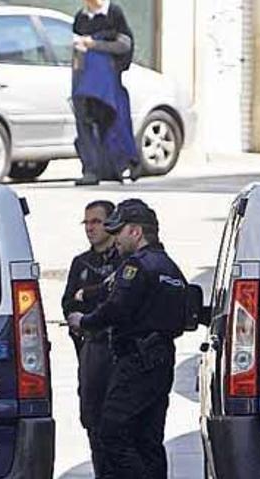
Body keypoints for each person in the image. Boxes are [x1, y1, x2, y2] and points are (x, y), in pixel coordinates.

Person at [67, 199, 188, 479]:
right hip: (161, 359)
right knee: (148, 439)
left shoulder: (137, 266)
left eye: (118, 231)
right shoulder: (169, 267)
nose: (115, 238)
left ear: (135, 232)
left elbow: (116, 308)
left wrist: (83, 321)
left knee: (110, 432)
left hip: (137, 360)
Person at [61, 200, 120, 476]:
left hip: (120, 352)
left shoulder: (125, 260)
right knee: (92, 418)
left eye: (96, 221)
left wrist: (90, 299)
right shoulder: (81, 263)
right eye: (87, 222)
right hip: (90, 349)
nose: (90, 228)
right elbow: (68, 304)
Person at [72, 0, 141, 186]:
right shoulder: (81, 18)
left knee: (113, 121)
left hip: (108, 81)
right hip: (85, 81)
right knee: (85, 123)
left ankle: (122, 165)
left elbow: (124, 44)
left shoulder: (113, 13)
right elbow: (77, 49)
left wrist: (95, 44)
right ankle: (91, 170)